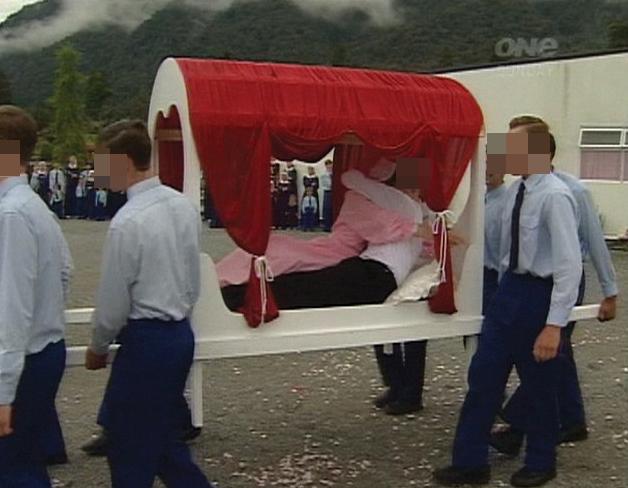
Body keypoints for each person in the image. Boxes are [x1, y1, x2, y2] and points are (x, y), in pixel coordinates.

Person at [434, 119, 582, 487]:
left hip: (538, 295)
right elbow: (504, 250)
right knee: (484, 377)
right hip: (509, 292)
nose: (503, 155)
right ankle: (470, 461)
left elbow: (569, 265)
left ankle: (540, 461)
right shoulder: (517, 192)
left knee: (539, 384)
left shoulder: (555, 196)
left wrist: (553, 325)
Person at [84, 120, 213, 488]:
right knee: (161, 441)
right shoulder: (182, 206)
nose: (97, 171)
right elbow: (191, 276)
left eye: (102, 161)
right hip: (178, 332)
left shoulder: (127, 222)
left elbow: (113, 300)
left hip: (146, 338)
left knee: (129, 446)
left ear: (123, 161)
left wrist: (98, 345)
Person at [490, 122, 619, 455]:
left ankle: (517, 426)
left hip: (563, 283)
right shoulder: (518, 191)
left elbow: (593, 239)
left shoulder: (570, 191)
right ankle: (572, 419)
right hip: (524, 283)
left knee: (545, 354)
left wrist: (610, 290)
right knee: (560, 354)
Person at [0, 105, 72, 486]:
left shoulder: (11, 214)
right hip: (43, 350)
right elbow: (64, 271)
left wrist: (3, 389)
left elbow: (11, 308)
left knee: (12, 469)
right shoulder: (32, 205)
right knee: (24, 462)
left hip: (24, 359)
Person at [483, 168, 508, 312]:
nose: (488, 169)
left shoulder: (508, 203)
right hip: (475, 278)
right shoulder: (477, 199)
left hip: (495, 279)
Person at [321, 159, 333, 231]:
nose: (330, 166)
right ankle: (327, 226)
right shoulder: (324, 174)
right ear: (326, 166)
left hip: (334, 192)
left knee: (332, 208)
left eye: (330, 164)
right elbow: (327, 184)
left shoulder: (335, 172)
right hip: (327, 191)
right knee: (327, 208)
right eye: (328, 165)